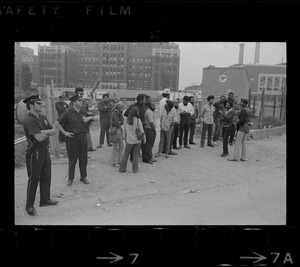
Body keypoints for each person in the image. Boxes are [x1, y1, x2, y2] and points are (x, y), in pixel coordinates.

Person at [23, 95, 58, 216]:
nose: (41, 105)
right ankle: (29, 206)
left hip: (44, 150)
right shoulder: (29, 120)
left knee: (46, 176)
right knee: (34, 179)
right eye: (38, 103)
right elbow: (38, 138)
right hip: (35, 151)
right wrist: (45, 133)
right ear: (31, 106)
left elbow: (53, 130)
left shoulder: (42, 117)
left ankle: (45, 199)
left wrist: (43, 132)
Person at [55, 94, 95, 186]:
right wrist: (65, 133)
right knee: (72, 160)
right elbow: (57, 123)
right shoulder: (68, 113)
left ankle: (83, 177)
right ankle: (70, 178)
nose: (81, 102)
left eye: (81, 101)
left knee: (83, 159)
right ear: (74, 102)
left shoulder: (83, 112)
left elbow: (94, 118)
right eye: (79, 101)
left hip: (83, 137)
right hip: (73, 138)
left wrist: (90, 118)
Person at [119, 107, 145, 173]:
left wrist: (124, 137)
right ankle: (135, 169)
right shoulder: (138, 120)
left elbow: (124, 130)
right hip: (137, 140)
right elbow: (142, 131)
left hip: (129, 140)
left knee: (126, 155)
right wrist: (144, 138)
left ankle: (122, 169)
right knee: (135, 155)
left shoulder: (126, 120)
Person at [69, 87, 96, 151]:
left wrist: (90, 115)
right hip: (77, 122)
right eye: (79, 94)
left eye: (82, 94)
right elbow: (71, 112)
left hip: (85, 121)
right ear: (76, 94)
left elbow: (87, 109)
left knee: (87, 133)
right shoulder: (73, 102)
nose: (81, 95)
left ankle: (89, 147)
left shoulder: (84, 102)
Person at [110, 102, 126, 167]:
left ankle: (120, 161)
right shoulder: (115, 113)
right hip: (115, 131)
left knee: (121, 146)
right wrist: (120, 122)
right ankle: (114, 162)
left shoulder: (120, 113)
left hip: (119, 130)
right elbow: (118, 123)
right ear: (120, 108)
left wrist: (120, 122)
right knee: (116, 146)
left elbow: (122, 121)